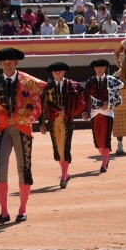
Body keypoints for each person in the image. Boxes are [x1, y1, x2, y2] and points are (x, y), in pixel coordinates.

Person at [0, 47, 46, 224]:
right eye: (4, 63)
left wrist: (17, 118)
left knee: (24, 168)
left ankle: (22, 210)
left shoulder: (27, 81)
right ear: (0, 64)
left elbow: (37, 109)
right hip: (2, 130)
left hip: (22, 128)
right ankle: (4, 212)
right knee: (0, 167)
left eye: (10, 62)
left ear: (17, 63)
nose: (7, 65)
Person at [40, 61, 88, 189]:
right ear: (52, 73)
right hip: (53, 122)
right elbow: (44, 106)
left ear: (64, 72)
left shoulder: (72, 85)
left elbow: (80, 103)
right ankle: (66, 173)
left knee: (65, 148)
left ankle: (64, 177)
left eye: (59, 71)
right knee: (58, 149)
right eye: (55, 71)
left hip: (67, 121)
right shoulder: (48, 87)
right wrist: (42, 123)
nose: (57, 73)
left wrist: (66, 111)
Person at [83, 58, 123, 172]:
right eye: (97, 68)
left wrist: (109, 104)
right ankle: (106, 157)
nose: (99, 70)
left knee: (105, 138)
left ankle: (104, 164)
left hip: (107, 113)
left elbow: (118, 98)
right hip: (94, 113)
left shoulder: (112, 80)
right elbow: (85, 98)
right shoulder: (90, 82)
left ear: (105, 68)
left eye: (101, 68)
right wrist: (84, 111)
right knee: (97, 140)